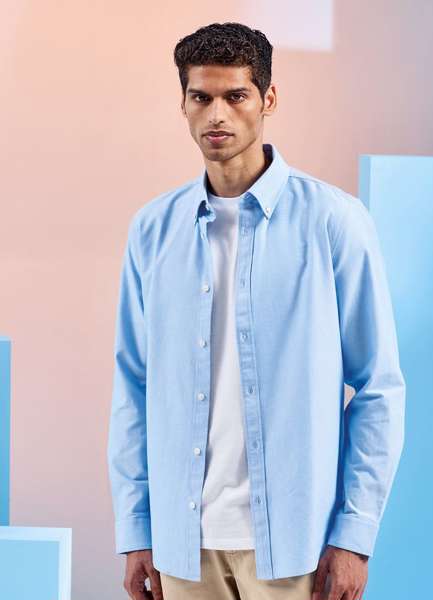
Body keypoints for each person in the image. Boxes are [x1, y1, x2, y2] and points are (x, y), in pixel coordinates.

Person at [107, 21, 406, 600]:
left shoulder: (333, 221)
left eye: (236, 96)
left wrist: (354, 536)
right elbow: (132, 388)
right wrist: (137, 529)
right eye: (201, 97)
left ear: (268, 99)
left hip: (297, 547)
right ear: (183, 104)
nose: (217, 114)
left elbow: (379, 388)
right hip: (182, 547)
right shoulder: (152, 230)